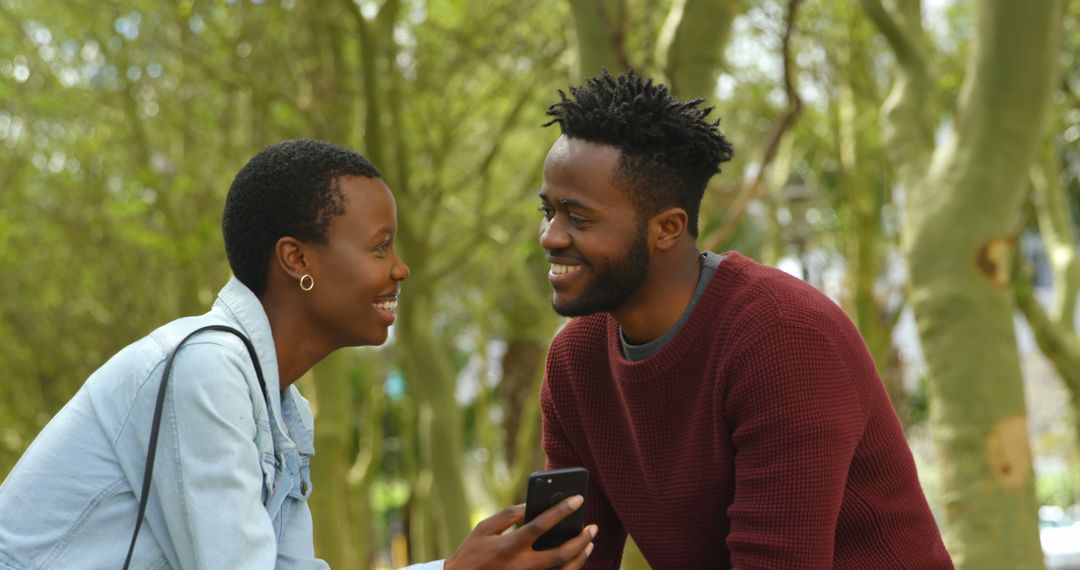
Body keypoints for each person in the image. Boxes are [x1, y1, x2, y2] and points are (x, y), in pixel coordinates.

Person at [0, 140, 596, 569]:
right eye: (380, 247)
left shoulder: (283, 408)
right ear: (297, 259)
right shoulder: (204, 369)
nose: (400, 269)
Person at [536, 70, 953, 568]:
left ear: (667, 228)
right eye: (548, 212)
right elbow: (572, 559)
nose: (550, 236)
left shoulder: (784, 338)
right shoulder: (576, 361)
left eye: (578, 218)